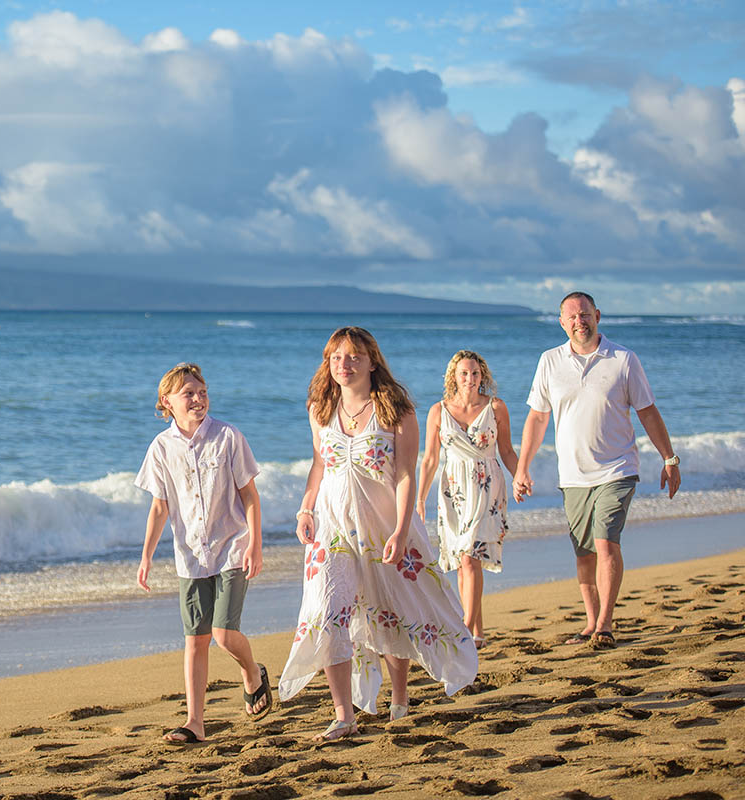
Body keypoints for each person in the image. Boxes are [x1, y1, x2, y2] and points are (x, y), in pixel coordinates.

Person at [277, 328, 477, 742]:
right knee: (327, 612)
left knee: (388, 610)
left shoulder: (396, 410)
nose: (343, 365)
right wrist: (304, 507)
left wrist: (403, 530)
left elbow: (405, 475)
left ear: (372, 361)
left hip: (384, 528)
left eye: (353, 357)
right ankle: (342, 714)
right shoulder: (319, 407)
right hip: (331, 528)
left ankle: (400, 699)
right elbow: (320, 464)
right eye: (335, 358)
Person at [513, 292, 681, 649]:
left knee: (605, 541)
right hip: (572, 475)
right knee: (584, 553)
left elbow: (647, 411)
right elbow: (538, 417)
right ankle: (591, 622)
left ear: (598, 316)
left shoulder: (623, 359)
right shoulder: (550, 361)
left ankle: (605, 624)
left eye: (584, 314)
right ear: (562, 322)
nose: (579, 321)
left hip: (617, 469)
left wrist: (669, 458)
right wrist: (521, 468)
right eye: (571, 317)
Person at [136, 362, 270, 744]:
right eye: (188, 393)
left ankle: (252, 673)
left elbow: (249, 496)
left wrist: (256, 545)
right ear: (168, 402)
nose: (198, 399)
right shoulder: (161, 448)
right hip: (190, 556)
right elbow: (159, 506)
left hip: (232, 548)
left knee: (224, 633)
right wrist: (146, 556)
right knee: (196, 639)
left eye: (202, 392)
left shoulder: (228, 436)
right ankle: (195, 722)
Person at [417, 351, 519, 649]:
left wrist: (520, 476)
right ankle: (478, 631)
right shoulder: (438, 411)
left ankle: (465, 633)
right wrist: (420, 498)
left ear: (482, 375)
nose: (470, 379)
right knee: (464, 564)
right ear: (454, 377)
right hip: (452, 491)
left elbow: (508, 451)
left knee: (470, 559)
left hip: (487, 487)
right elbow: (429, 460)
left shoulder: (496, 408)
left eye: (475, 373)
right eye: (464, 373)